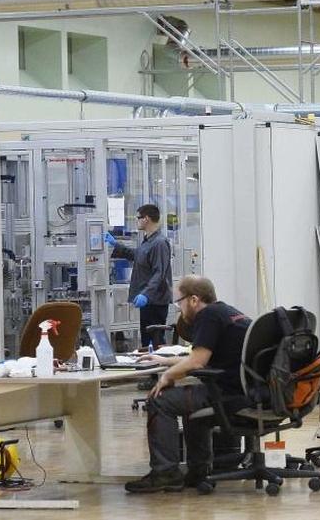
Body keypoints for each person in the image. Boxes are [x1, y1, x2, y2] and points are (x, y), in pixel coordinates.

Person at [123, 275, 251, 494]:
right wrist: (164, 361)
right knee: (191, 406)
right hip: (248, 392)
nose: (179, 308)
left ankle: (165, 473)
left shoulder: (207, 315)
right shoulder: (228, 312)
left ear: (193, 300)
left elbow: (197, 362)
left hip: (229, 395)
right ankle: (198, 471)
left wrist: (167, 376)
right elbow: (201, 356)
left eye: (179, 302)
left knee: (160, 400)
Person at [105, 204, 172, 349]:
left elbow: (159, 273)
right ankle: (150, 363)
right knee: (147, 341)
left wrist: (146, 294)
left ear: (146, 219)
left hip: (155, 301)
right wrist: (116, 244)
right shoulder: (148, 241)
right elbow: (137, 255)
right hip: (149, 301)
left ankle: (158, 364)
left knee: (155, 342)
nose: (137, 221)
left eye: (138, 218)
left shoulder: (159, 243)